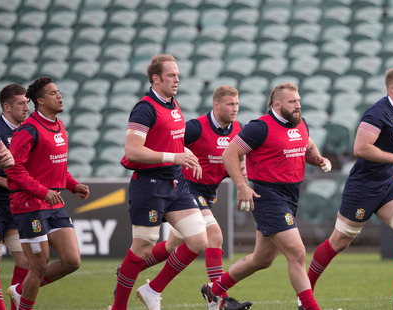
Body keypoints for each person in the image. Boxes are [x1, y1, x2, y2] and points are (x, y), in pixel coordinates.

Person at [305, 68, 393, 310]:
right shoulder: (377, 112)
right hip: (362, 188)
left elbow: (384, 151)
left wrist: (390, 174)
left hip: (385, 185)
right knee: (339, 242)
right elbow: (361, 149)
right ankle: (305, 294)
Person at [200, 83, 332, 310]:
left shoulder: (299, 122)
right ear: (278, 105)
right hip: (268, 195)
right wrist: (241, 186)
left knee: (262, 259)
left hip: (291, 195)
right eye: (293, 102)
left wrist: (318, 158)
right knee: (297, 252)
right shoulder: (260, 127)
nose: (298, 105)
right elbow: (230, 153)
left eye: (299, 100)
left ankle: (214, 290)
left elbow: (306, 145)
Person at [128, 85, 251, 309]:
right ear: (216, 105)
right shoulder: (195, 127)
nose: (235, 109)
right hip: (187, 189)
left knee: (171, 246)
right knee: (214, 236)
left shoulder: (237, 130)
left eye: (237, 104)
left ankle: (129, 272)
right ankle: (217, 301)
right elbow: (170, 144)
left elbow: (237, 155)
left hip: (207, 193)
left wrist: (240, 172)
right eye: (230, 104)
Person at [111, 54, 207, 310]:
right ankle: (118, 307)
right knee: (142, 249)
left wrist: (186, 156)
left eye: (177, 74)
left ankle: (152, 289)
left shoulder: (172, 103)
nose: (177, 79)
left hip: (176, 184)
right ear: (156, 78)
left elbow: (171, 139)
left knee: (198, 241)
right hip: (150, 185)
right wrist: (173, 156)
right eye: (171, 75)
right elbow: (132, 151)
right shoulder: (145, 108)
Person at [4, 77, 90, 310]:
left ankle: (20, 291)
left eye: (59, 92)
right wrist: (43, 192)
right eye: (53, 93)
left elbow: (56, 166)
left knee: (72, 261)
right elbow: (13, 169)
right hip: (29, 205)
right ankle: (24, 303)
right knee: (39, 266)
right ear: (40, 101)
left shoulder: (59, 125)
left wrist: (73, 185)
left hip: (52, 203)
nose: (60, 96)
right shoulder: (28, 129)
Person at [0, 84, 30, 310]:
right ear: (7, 107)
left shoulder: (27, 130)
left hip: (15, 206)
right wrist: (11, 183)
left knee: (25, 260)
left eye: (28, 102)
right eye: (21, 103)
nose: (27, 107)